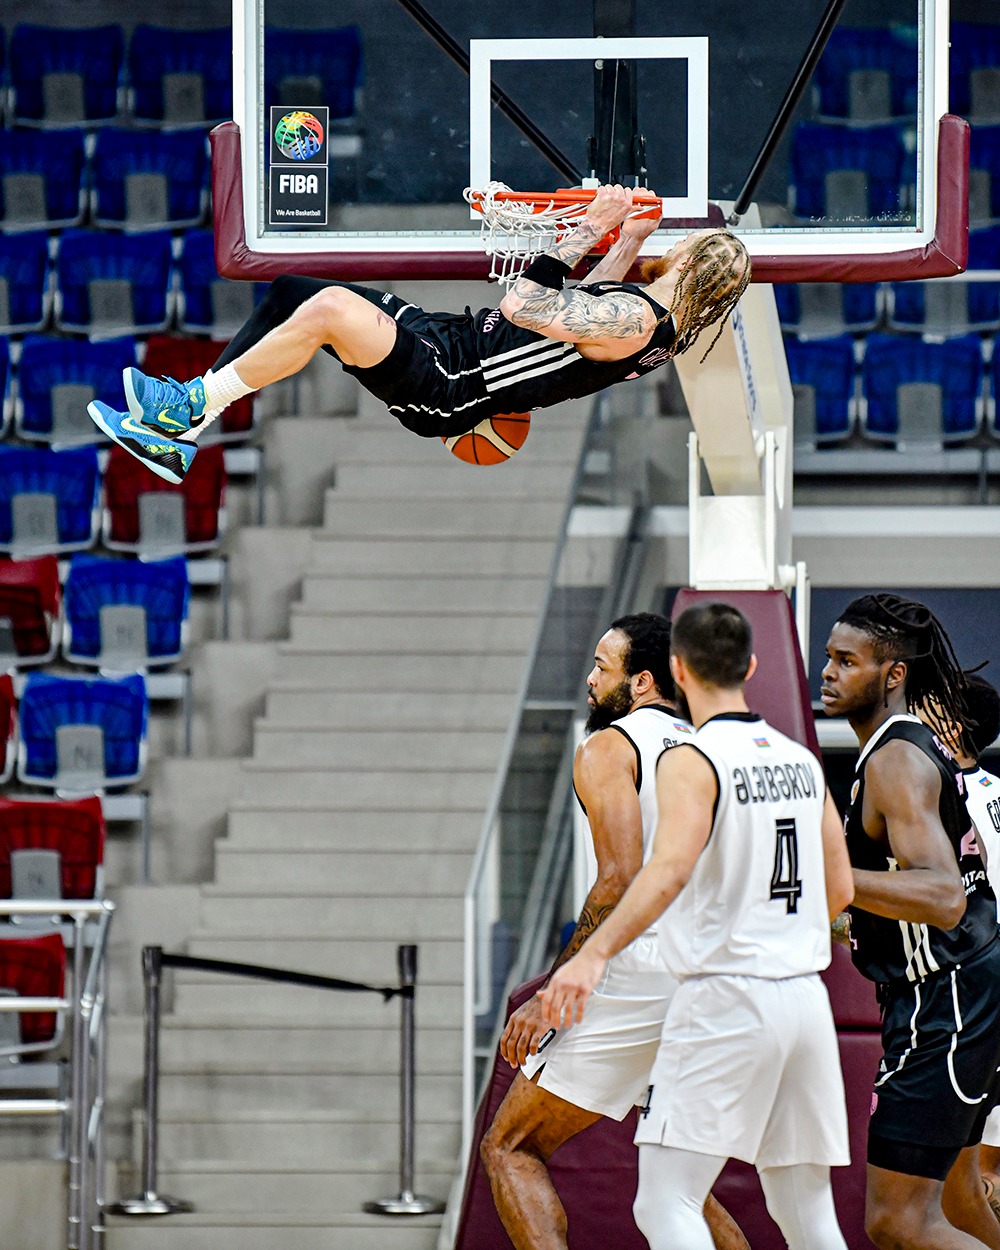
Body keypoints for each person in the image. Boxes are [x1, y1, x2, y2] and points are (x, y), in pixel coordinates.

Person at [540, 601, 854, 1250]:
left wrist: (589, 957)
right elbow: (841, 889)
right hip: (805, 999)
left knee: (665, 1203)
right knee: (806, 1211)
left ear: (676, 670)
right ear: (752, 666)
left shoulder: (693, 758)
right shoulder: (799, 758)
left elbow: (665, 871)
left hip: (728, 994)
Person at [86, 183, 751, 483]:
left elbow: (526, 304)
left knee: (328, 312)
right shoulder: (646, 321)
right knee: (295, 291)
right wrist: (626, 236)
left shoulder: (639, 319)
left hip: (457, 383)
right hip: (452, 343)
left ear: (692, 261)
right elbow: (584, 305)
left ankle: (193, 410)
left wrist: (581, 231)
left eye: (687, 243)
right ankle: (185, 429)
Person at [480, 613, 748, 1250]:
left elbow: (620, 877)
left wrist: (555, 989)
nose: (590, 678)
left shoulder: (609, 746)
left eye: (603, 666)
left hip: (644, 971)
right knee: (683, 1189)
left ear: (643, 681)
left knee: (510, 1146)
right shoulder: (717, 747)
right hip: (723, 977)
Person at [820, 594, 1000, 1250]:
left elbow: (942, 895)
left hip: (945, 1002)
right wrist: (844, 922)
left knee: (898, 1223)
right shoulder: (892, 754)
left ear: (893, 675)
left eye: (847, 660)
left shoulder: (896, 759)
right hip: (965, 987)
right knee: (957, 1201)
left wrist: (831, 881)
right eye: (829, 656)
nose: (828, 671)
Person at [914, 674, 1000, 1214]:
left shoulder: (940, 796)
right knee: (985, 1169)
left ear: (948, 723)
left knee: (960, 1182)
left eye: (926, 705)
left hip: (972, 993)